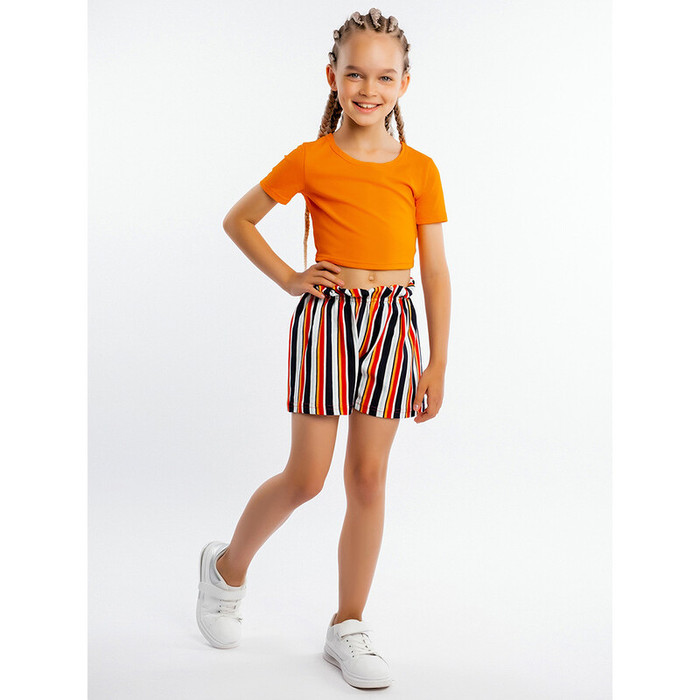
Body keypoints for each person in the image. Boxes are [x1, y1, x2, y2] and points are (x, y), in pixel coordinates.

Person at [196, 7, 451, 690]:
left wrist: (437, 360)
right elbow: (240, 220)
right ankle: (225, 570)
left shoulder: (421, 169)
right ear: (332, 76)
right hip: (327, 322)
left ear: (404, 84)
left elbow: (435, 271)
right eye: (355, 74)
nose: (369, 89)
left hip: (394, 325)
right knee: (307, 478)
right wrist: (290, 278)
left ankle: (348, 624)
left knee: (367, 479)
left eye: (385, 77)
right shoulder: (310, 159)